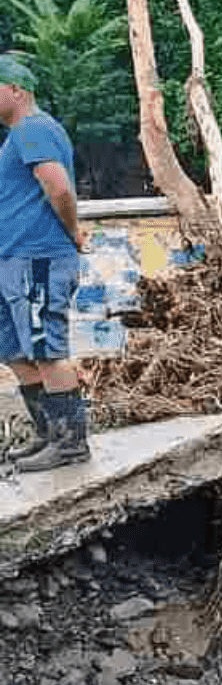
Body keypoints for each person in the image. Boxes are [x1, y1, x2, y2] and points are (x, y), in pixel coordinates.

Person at [0, 56, 91, 472]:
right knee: (18, 350)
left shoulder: (33, 128)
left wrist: (72, 230)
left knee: (46, 348)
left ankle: (71, 446)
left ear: (15, 90)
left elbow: (57, 187)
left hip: (40, 256)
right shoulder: (17, 136)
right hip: (14, 258)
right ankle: (48, 435)